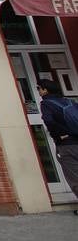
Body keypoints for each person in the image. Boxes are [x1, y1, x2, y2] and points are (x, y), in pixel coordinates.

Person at [37, 78, 78, 210]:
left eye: (39, 88)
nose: (38, 91)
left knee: (74, 176)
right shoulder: (68, 101)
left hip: (67, 145)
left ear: (45, 89)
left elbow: (49, 121)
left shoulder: (46, 103)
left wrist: (60, 135)